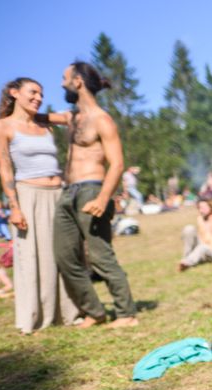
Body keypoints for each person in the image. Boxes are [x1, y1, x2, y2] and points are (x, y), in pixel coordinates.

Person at [0, 77, 79, 334]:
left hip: (57, 193)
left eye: (41, 93)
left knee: (62, 252)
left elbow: (75, 116)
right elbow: (5, 170)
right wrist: (14, 207)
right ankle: (33, 317)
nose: (38, 97)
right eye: (33, 92)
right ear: (14, 93)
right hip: (28, 194)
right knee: (30, 255)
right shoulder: (2, 127)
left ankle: (68, 311)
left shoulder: (43, 122)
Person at [51, 61, 139, 328]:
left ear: (78, 81)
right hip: (67, 193)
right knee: (65, 256)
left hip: (92, 189)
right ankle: (94, 311)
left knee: (101, 256)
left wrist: (103, 198)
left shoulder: (102, 119)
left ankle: (126, 314)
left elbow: (118, 163)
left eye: (64, 78)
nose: (61, 83)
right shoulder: (71, 118)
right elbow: (36, 117)